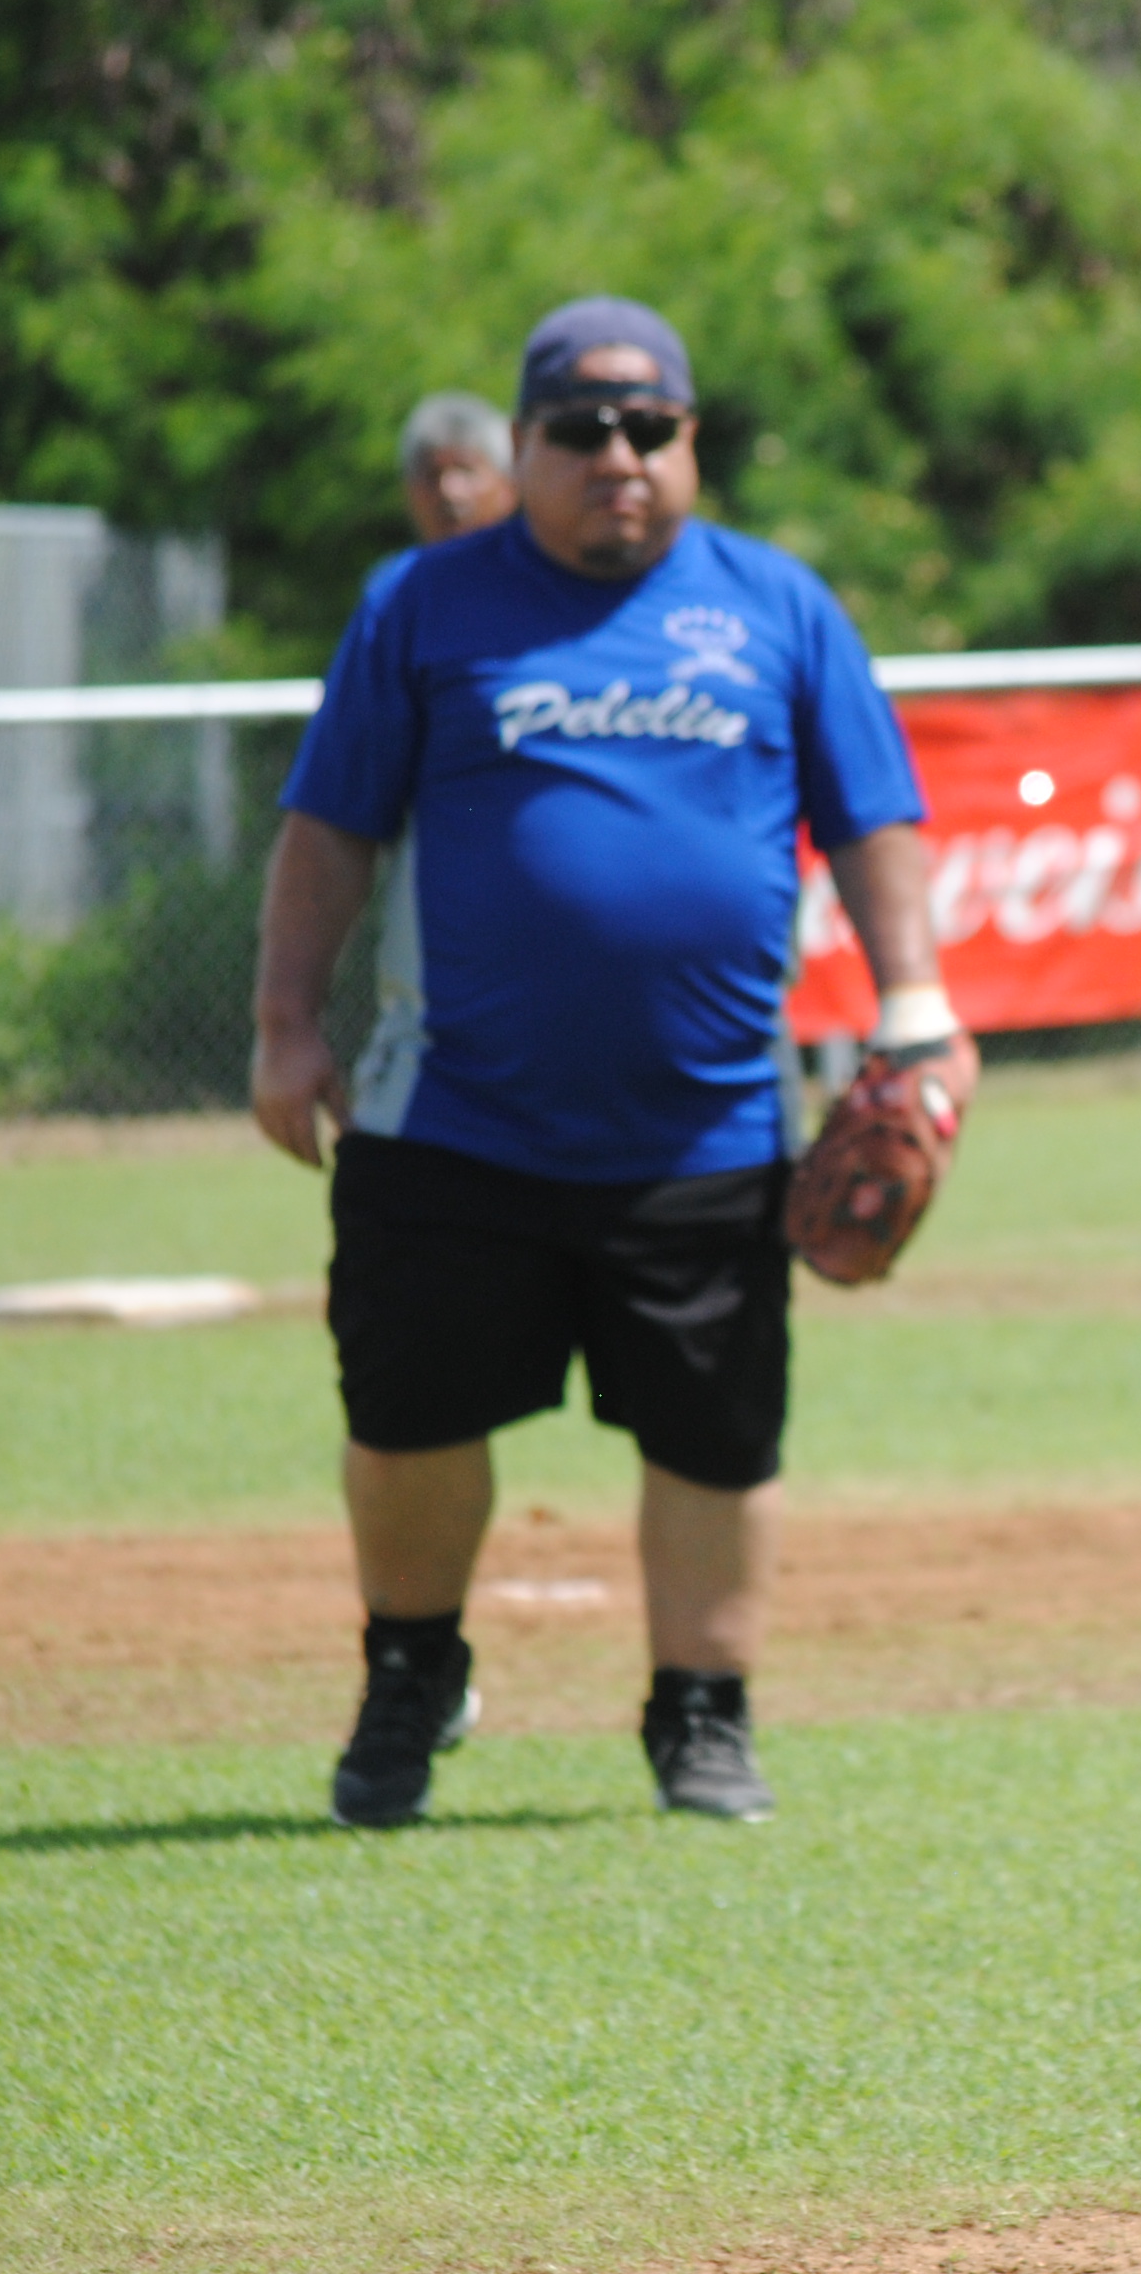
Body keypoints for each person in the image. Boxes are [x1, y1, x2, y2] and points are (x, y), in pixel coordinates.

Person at [252, 296, 969, 1831]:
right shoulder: (424, 605)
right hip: (449, 1121)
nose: (618, 457)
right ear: (520, 449)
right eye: (580, 431)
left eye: (651, 429)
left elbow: (874, 818)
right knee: (408, 1424)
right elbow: (329, 829)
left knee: (716, 1434)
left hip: (706, 1126)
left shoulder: (776, 607)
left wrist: (915, 998)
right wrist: (285, 1026)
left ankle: (701, 1716)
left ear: (692, 445)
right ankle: (412, 1672)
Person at [396, 390, 519, 548]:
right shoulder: (404, 572)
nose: (448, 491)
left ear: (508, 485)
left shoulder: (545, 567)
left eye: (466, 470)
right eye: (432, 475)